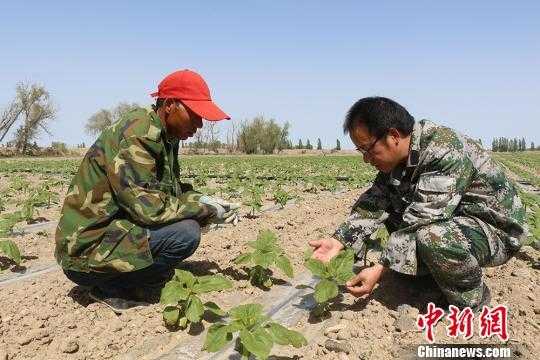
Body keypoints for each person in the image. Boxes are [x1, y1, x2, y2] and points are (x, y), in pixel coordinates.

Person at [310, 97, 526, 311]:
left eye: (368, 149)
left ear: (393, 136)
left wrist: (381, 268)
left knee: (431, 236)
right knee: (397, 212)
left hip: (496, 231)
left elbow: (423, 219)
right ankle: (431, 275)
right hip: (458, 221)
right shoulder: (401, 157)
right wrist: (338, 241)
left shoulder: (443, 149)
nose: (366, 159)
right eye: (361, 152)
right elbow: (374, 203)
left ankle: (471, 301)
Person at [55, 69, 239, 313]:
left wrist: (204, 199)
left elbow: (169, 191)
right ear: (170, 105)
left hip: (111, 234)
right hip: (86, 250)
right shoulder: (138, 133)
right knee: (185, 234)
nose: (199, 125)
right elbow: (148, 209)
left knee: (183, 228)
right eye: (194, 115)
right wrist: (204, 210)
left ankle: (136, 279)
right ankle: (110, 287)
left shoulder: (165, 136)